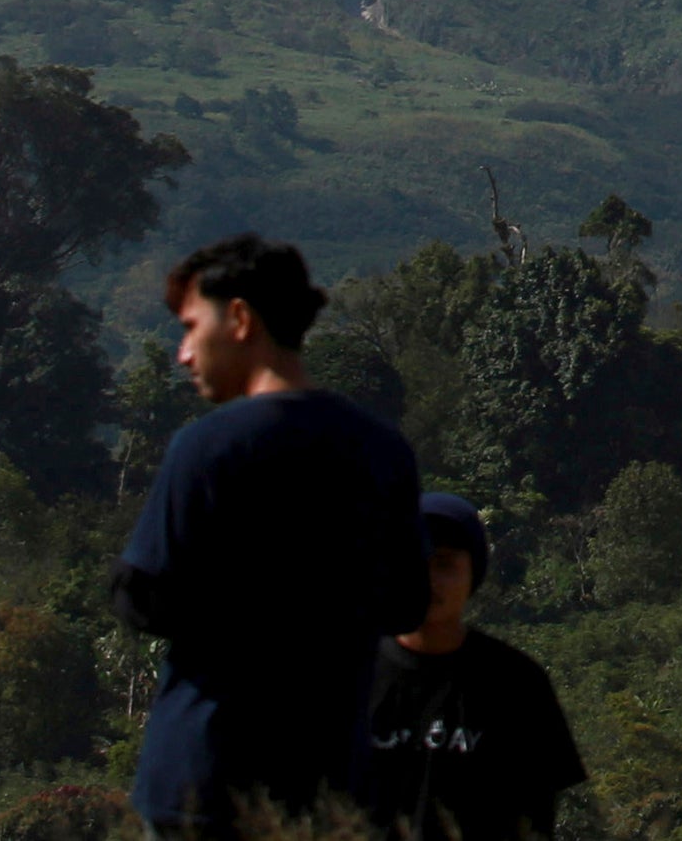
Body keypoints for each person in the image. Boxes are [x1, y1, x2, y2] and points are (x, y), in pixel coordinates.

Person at [114, 234, 428, 836]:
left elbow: (143, 596)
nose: (183, 353)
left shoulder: (206, 448)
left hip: (204, 776)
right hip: (329, 778)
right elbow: (407, 602)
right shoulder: (381, 450)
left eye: (189, 326)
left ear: (238, 318)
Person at [362, 494, 592, 841]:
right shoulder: (348, 674)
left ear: (474, 574)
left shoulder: (516, 683)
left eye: (444, 564)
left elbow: (537, 816)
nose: (428, 580)